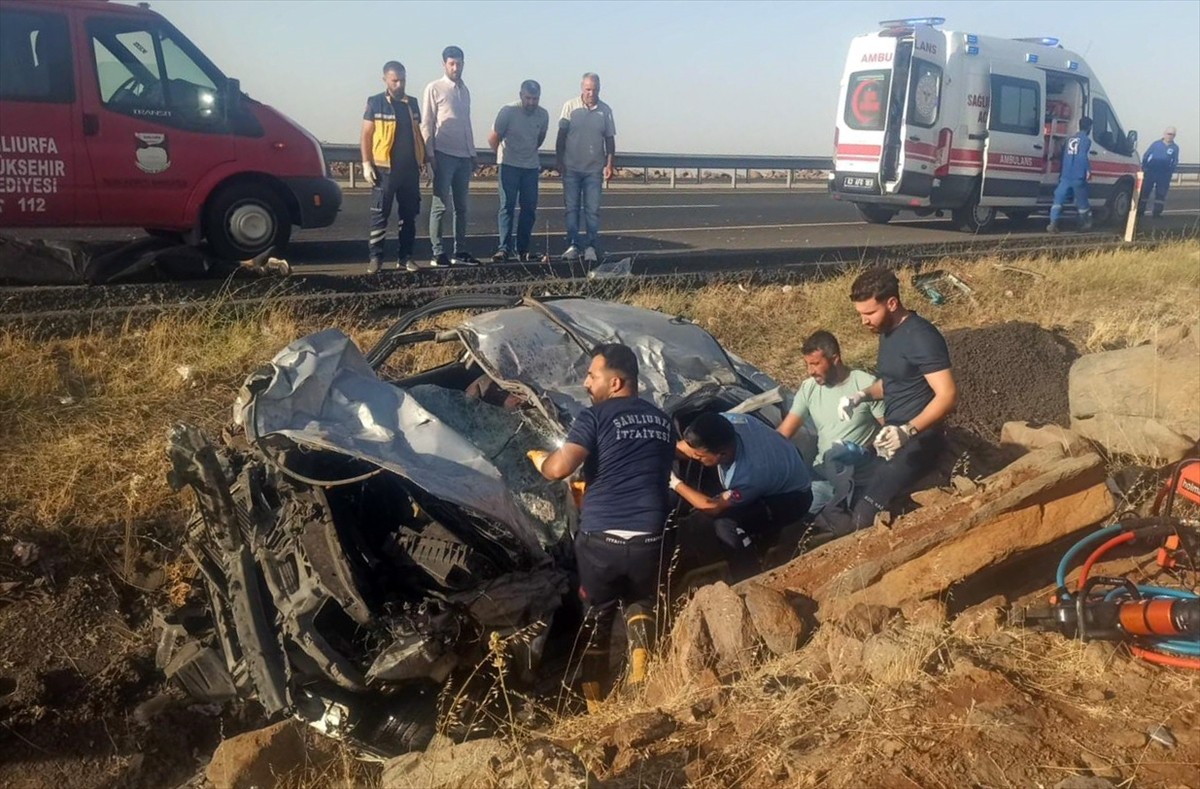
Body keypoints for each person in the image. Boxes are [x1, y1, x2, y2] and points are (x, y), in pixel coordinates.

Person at [527, 343, 674, 712]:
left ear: (616, 382)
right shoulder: (663, 420)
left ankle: (595, 705)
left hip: (601, 539)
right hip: (650, 535)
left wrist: (540, 460)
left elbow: (560, 469)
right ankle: (640, 674)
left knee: (598, 613)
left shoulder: (593, 417)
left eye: (592, 376)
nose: (585, 383)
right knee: (641, 599)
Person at [827, 268, 956, 534]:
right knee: (844, 497)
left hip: (920, 438)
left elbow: (948, 395)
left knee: (863, 517)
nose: (864, 321)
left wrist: (908, 431)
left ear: (892, 303)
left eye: (869, 313)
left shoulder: (920, 336)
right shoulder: (888, 332)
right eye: (860, 314)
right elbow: (894, 381)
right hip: (892, 434)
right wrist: (860, 396)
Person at [672, 412, 813, 579]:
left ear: (722, 454)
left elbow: (712, 506)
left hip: (793, 497)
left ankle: (748, 578)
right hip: (784, 463)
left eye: (700, 456)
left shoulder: (748, 475)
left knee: (726, 524)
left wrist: (674, 482)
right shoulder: (728, 422)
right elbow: (689, 447)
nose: (695, 457)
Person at [776, 330, 884, 514]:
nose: (810, 371)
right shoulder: (809, 388)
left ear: (835, 359)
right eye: (807, 364)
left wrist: (864, 451)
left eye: (815, 364)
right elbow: (784, 432)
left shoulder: (865, 385)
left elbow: (889, 428)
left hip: (860, 477)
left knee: (858, 519)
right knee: (800, 517)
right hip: (823, 476)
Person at [361, 61, 425, 274]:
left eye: (403, 80)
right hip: (384, 170)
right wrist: (366, 163)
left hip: (409, 170)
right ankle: (375, 258)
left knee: (409, 215)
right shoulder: (375, 102)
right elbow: (366, 134)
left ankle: (405, 258)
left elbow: (418, 134)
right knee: (380, 215)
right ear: (385, 80)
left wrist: (423, 160)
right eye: (395, 81)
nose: (399, 85)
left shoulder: (412, 103)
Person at [421, 46, 479, 267]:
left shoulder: (465, 91)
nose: (456, 68)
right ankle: (437, 252)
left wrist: (472, 153)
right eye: (452, 64)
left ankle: (460, 251)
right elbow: (427, 123)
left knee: (461, 207)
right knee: (440, 206)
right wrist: (429, 155)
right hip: (443, 154)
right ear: (444, 64)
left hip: (464, 156)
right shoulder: (434, 88)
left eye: (459, 63)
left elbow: (466, 123)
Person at [555, 73, 615, 263]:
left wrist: (609, 164)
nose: (591, 93)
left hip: (593, 170)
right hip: (571, 167)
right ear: (582, 88)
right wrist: (559, 160)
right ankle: (573, 245)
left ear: (599, 89)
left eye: (595, 89)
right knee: (571, 209)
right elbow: (561, 136)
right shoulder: (569, 106)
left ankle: (590, 246)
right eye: (588, 89)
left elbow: (610, 139)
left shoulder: (605, 111)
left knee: (592, 210)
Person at [488, 80, 549, 263]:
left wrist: (527, 153)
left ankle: (522, 249)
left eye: (535, 99)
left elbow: (540, 138)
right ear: (521, 95)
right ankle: (503, 249)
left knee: (529, 208)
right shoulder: (508, 111)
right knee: (507, 206)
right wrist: (502, 156)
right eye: (528, 98)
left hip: (530, 167)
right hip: (509, 165)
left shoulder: (543, 115)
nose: (531, 102)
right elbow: (493, 138)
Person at [1048, 116, 1093, 233]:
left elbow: (1063, 155)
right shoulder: (1086, 141)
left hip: (1066, 175)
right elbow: (1082, 156)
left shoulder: (1070, 139)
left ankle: (1053, 223)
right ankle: (1084, 223)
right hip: (1078, 175)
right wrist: (1088, 170)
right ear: (1089, 128)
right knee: (1082, 201)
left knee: (1058, 198)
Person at [1139, 126, 1180, 218]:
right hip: (1151, 172)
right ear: (1164, 134)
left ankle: (1157, 213)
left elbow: (1175, 161)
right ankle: (1140, 211)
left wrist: (1170, 171)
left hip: (1164, 175)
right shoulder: (1156, 144)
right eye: (1169, 134)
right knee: (1145, 192)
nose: (1170, 136)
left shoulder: (1175, 147)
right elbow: (1146, 155)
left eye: (1173, 135)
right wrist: (1145, 167)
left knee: (1161, 194)